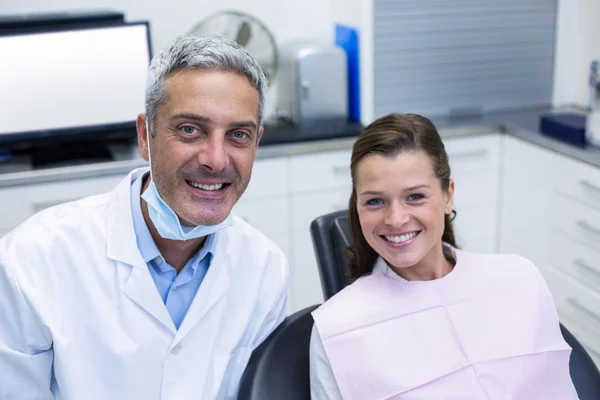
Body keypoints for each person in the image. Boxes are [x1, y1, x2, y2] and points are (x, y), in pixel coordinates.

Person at [0, 34, 288, 399]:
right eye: (190, 130)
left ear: (256, 143)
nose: (216, 159)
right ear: (145, 135)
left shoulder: (265, 268)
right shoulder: (32, 260)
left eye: (238, 135)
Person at [309, 113, 578, 399]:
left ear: (448, 195)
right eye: (375, 201)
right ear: (358, 206)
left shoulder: (517, 281)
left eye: (415, 196)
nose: (396, 219)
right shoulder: (337, 329)